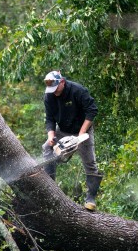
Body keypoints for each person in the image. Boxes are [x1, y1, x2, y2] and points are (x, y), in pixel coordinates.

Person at [41, 70, 103, 211]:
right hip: (62, 129)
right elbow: (50, 118)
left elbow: (92, 110)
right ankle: (49, 188)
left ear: (62, 82)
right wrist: (51, 136)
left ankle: (90, 199)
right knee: (46, 148)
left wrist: (80, 135)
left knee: (90, 163)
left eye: (56, 88)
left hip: (82, 130)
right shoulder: (49, 95)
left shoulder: (78, 90)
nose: (54, 91)